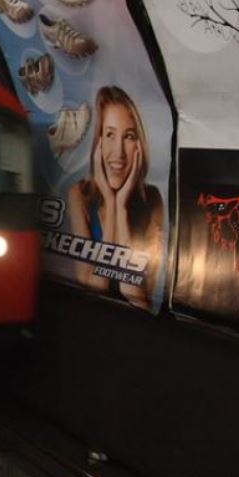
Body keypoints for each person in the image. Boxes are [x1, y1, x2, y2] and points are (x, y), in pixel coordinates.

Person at [66, 86, 165, 310]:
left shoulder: (152, 199)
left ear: (139, 146)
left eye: (128, 137)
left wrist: (120, 208)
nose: (118, 152)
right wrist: (110, 204)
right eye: (109, 135)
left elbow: (136, 298)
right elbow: (93, 288)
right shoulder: (79, 195)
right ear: (98, 144)